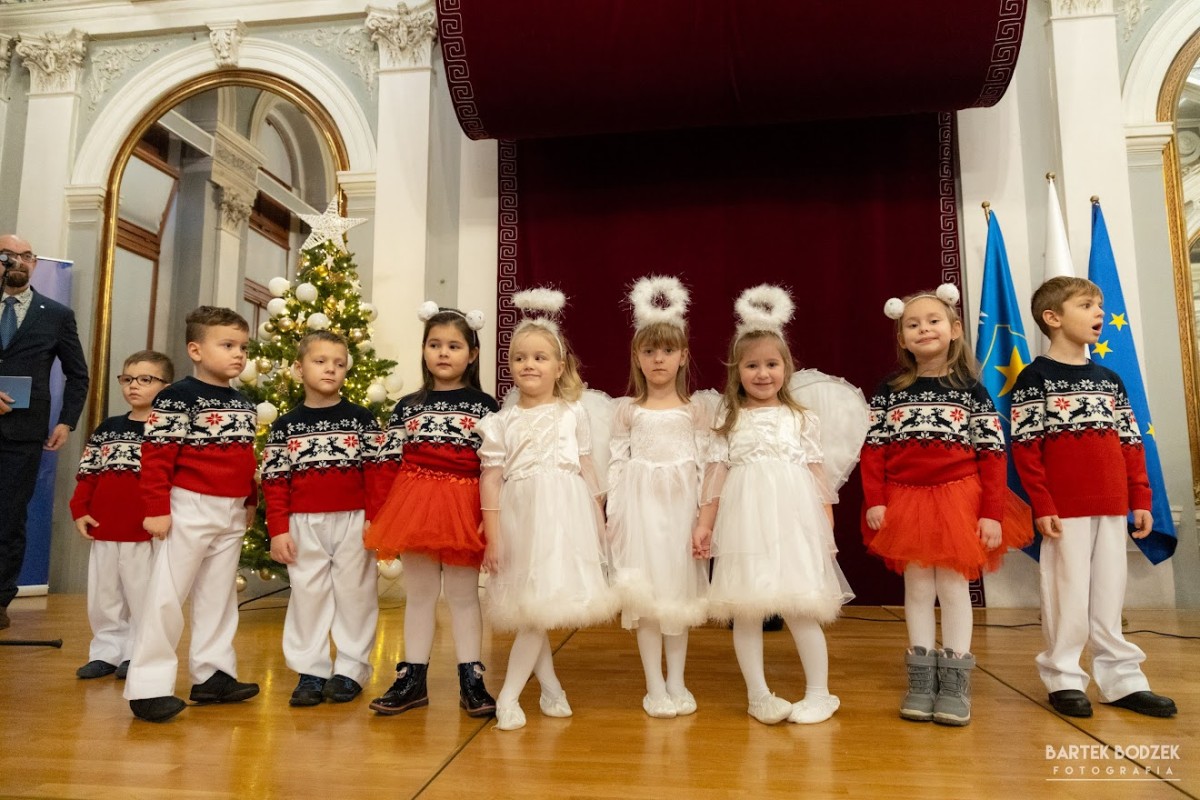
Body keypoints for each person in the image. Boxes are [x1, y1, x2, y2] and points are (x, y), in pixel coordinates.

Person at [860, 284, 1031, 726]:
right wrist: (876, 500)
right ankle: (921, 678)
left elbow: (993, 454)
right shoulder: (889, 390)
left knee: (954, 587)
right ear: (902, 338)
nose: (924, 329)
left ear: (954, 329)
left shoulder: (972, 391)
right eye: (913, 325)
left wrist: (991, 512)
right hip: (905, 500)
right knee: (917, 588)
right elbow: (873, 451)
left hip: (959, 498)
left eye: (933, 321)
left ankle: (955, 681)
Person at [1011, 276, 1177, 719]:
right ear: (1053, 317)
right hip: (1065, 510)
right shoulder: (1034, 379)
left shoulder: (1109, 380)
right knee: (1067, 595)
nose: (1099, 313)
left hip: (1112, 505)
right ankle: (1064, 677)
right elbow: (1026, 450)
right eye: (1086, 305)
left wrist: (1140, 498)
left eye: (1099, 306)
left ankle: (1122, 680)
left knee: (1108, 595)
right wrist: (1043, 504)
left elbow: (1131, 443)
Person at [692, 284, 852, 726]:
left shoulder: (801, 418)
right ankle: (758, 695)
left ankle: (819, 693)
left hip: (794, 524)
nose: (762, 374)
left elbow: (818, 477)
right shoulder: (728, 419)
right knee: (747, 608)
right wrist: (704, 524)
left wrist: (825, 530)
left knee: (801, 607)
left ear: (786, 367)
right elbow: (715, 477)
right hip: (745, 524)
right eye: (752, 365)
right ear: (737, 371)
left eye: (771, 364)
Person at [477, 287, 619, 731]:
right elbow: (491, 480)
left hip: (564, 517)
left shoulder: (573, 413)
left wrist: (599, 519)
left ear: (559, 366)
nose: (529, 365)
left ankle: (516, 694)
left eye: (540, 357)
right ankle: (542, 689)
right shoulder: (501, 422)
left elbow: (587, 467)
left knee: (539, 606)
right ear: (510, 366)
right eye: (520, 358)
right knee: (530, 607)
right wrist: (493, 538)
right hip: (521, 517)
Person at [124, 306, 259, 723]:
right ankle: (148, 688)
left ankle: (213, 675)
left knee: (219, 596)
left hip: (231, 509)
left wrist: (250, 501)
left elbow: (245, 458)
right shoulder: (176, 397)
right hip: (189, 506)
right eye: (228, 345)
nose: (238, 354)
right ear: (196, 350)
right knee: (166, 596)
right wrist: (156, 509)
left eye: (243, 347)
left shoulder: (244, 403)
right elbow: (157, 457)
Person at [365, 303, 500, 717]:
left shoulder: (486, 406)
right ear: (423, 350)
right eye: (435, 344)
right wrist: (379, 515)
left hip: (464, 506)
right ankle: (412, 679)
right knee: (420, 595)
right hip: (415, 505)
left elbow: (495, 467)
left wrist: (491, 517)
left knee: (463, 595)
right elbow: (387, 464)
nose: (443, 353)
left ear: (472, 354)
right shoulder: (407, 406)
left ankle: (472, 679)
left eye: (454, 346)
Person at [263, 331, 386, 707]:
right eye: (320, 361)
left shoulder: (361, 419)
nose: (331, 369)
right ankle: (310, 671)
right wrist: (278, 530)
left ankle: (351, 670)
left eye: (339, 363)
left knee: (356, 594)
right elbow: (274, 480)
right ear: (299, 368)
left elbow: (377, 474)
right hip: (303, 523)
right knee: (307, 595)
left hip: (355, 520)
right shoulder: (285, 426)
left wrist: (375, 519)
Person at [606, 276, 708, 719]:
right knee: (646, 597)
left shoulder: (696, 410)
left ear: (683, 355)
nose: (658, 359)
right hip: (640, 511)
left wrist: (704, 519)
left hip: (682, 511)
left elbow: (706, 466)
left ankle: (677, 680)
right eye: (649, 351)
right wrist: (613, 515)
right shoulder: (626, 410)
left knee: (677, 597)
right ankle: (654, 684)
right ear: (637, 358)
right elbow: (616, 464)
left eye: (667, 350)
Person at [0, 233, 89, 631]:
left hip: (22, 434)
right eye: (8, 255)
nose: (17, 262)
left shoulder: (55, 314)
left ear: (34, 264)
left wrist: (66, 421)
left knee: (8, 517)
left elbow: (77, 375)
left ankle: (0, 599)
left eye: (26, 256)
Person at [69, 350, 173, 679]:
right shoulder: (108, 428)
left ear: (166, 387)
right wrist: (79, 509)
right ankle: (106, 652)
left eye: (145, 379)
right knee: (104, 596)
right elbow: (88, 474)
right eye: (127, 379)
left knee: (142, 596)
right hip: (105, 526)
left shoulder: (168, 431)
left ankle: (136, 652)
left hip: (144, 531)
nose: (133, 386)